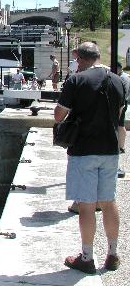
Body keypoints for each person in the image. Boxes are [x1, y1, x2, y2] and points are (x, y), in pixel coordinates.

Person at [54, 42, 124, 274]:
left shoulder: (76, 80)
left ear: (79, 58)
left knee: (86, 206)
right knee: (108, 202)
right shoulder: (117, 80)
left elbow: (59, 114)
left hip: (83, 150)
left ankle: (86, 258)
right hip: (110, 150)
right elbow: (120, 113)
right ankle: (113, 254)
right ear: (98, 56)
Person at [116, 62, 129, 178]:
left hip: (121, 105)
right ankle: (121, 145)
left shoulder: (123, 78)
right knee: (121, 126)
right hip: (122, 104)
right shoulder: (123, 77)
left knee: (120, 126)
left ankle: (120, 145)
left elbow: (122, 93)